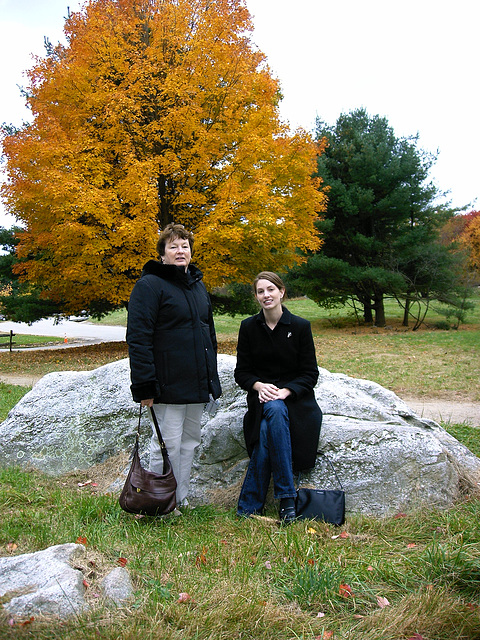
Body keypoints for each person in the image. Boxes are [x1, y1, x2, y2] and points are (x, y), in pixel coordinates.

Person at [126, 223, 221, 508]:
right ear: (162, 254)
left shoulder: (197, 286)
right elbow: (138, 338)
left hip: (195, 383)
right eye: (173, 246)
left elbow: (209, 335)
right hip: (167, 384)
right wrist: (145, 385)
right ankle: (160, 502)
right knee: (166, 444)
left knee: (190, 442)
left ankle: (180, 498)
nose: (180, 251)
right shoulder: (149, 286)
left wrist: (211, 379)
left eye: (185, 246)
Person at [234, 271, 322, 523]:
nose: (266, 295)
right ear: (256, 297)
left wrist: (285, 391)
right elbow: (242, 372)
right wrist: (259, 386)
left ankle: (251, 506)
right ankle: (286, 499)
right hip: (262, 400)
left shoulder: (300, 326)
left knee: (267, 430)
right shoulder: (248, 327)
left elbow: (309, 373)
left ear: (282, 292)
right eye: (260, 291)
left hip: (296, 402)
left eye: (270, 289)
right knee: (272, 410)